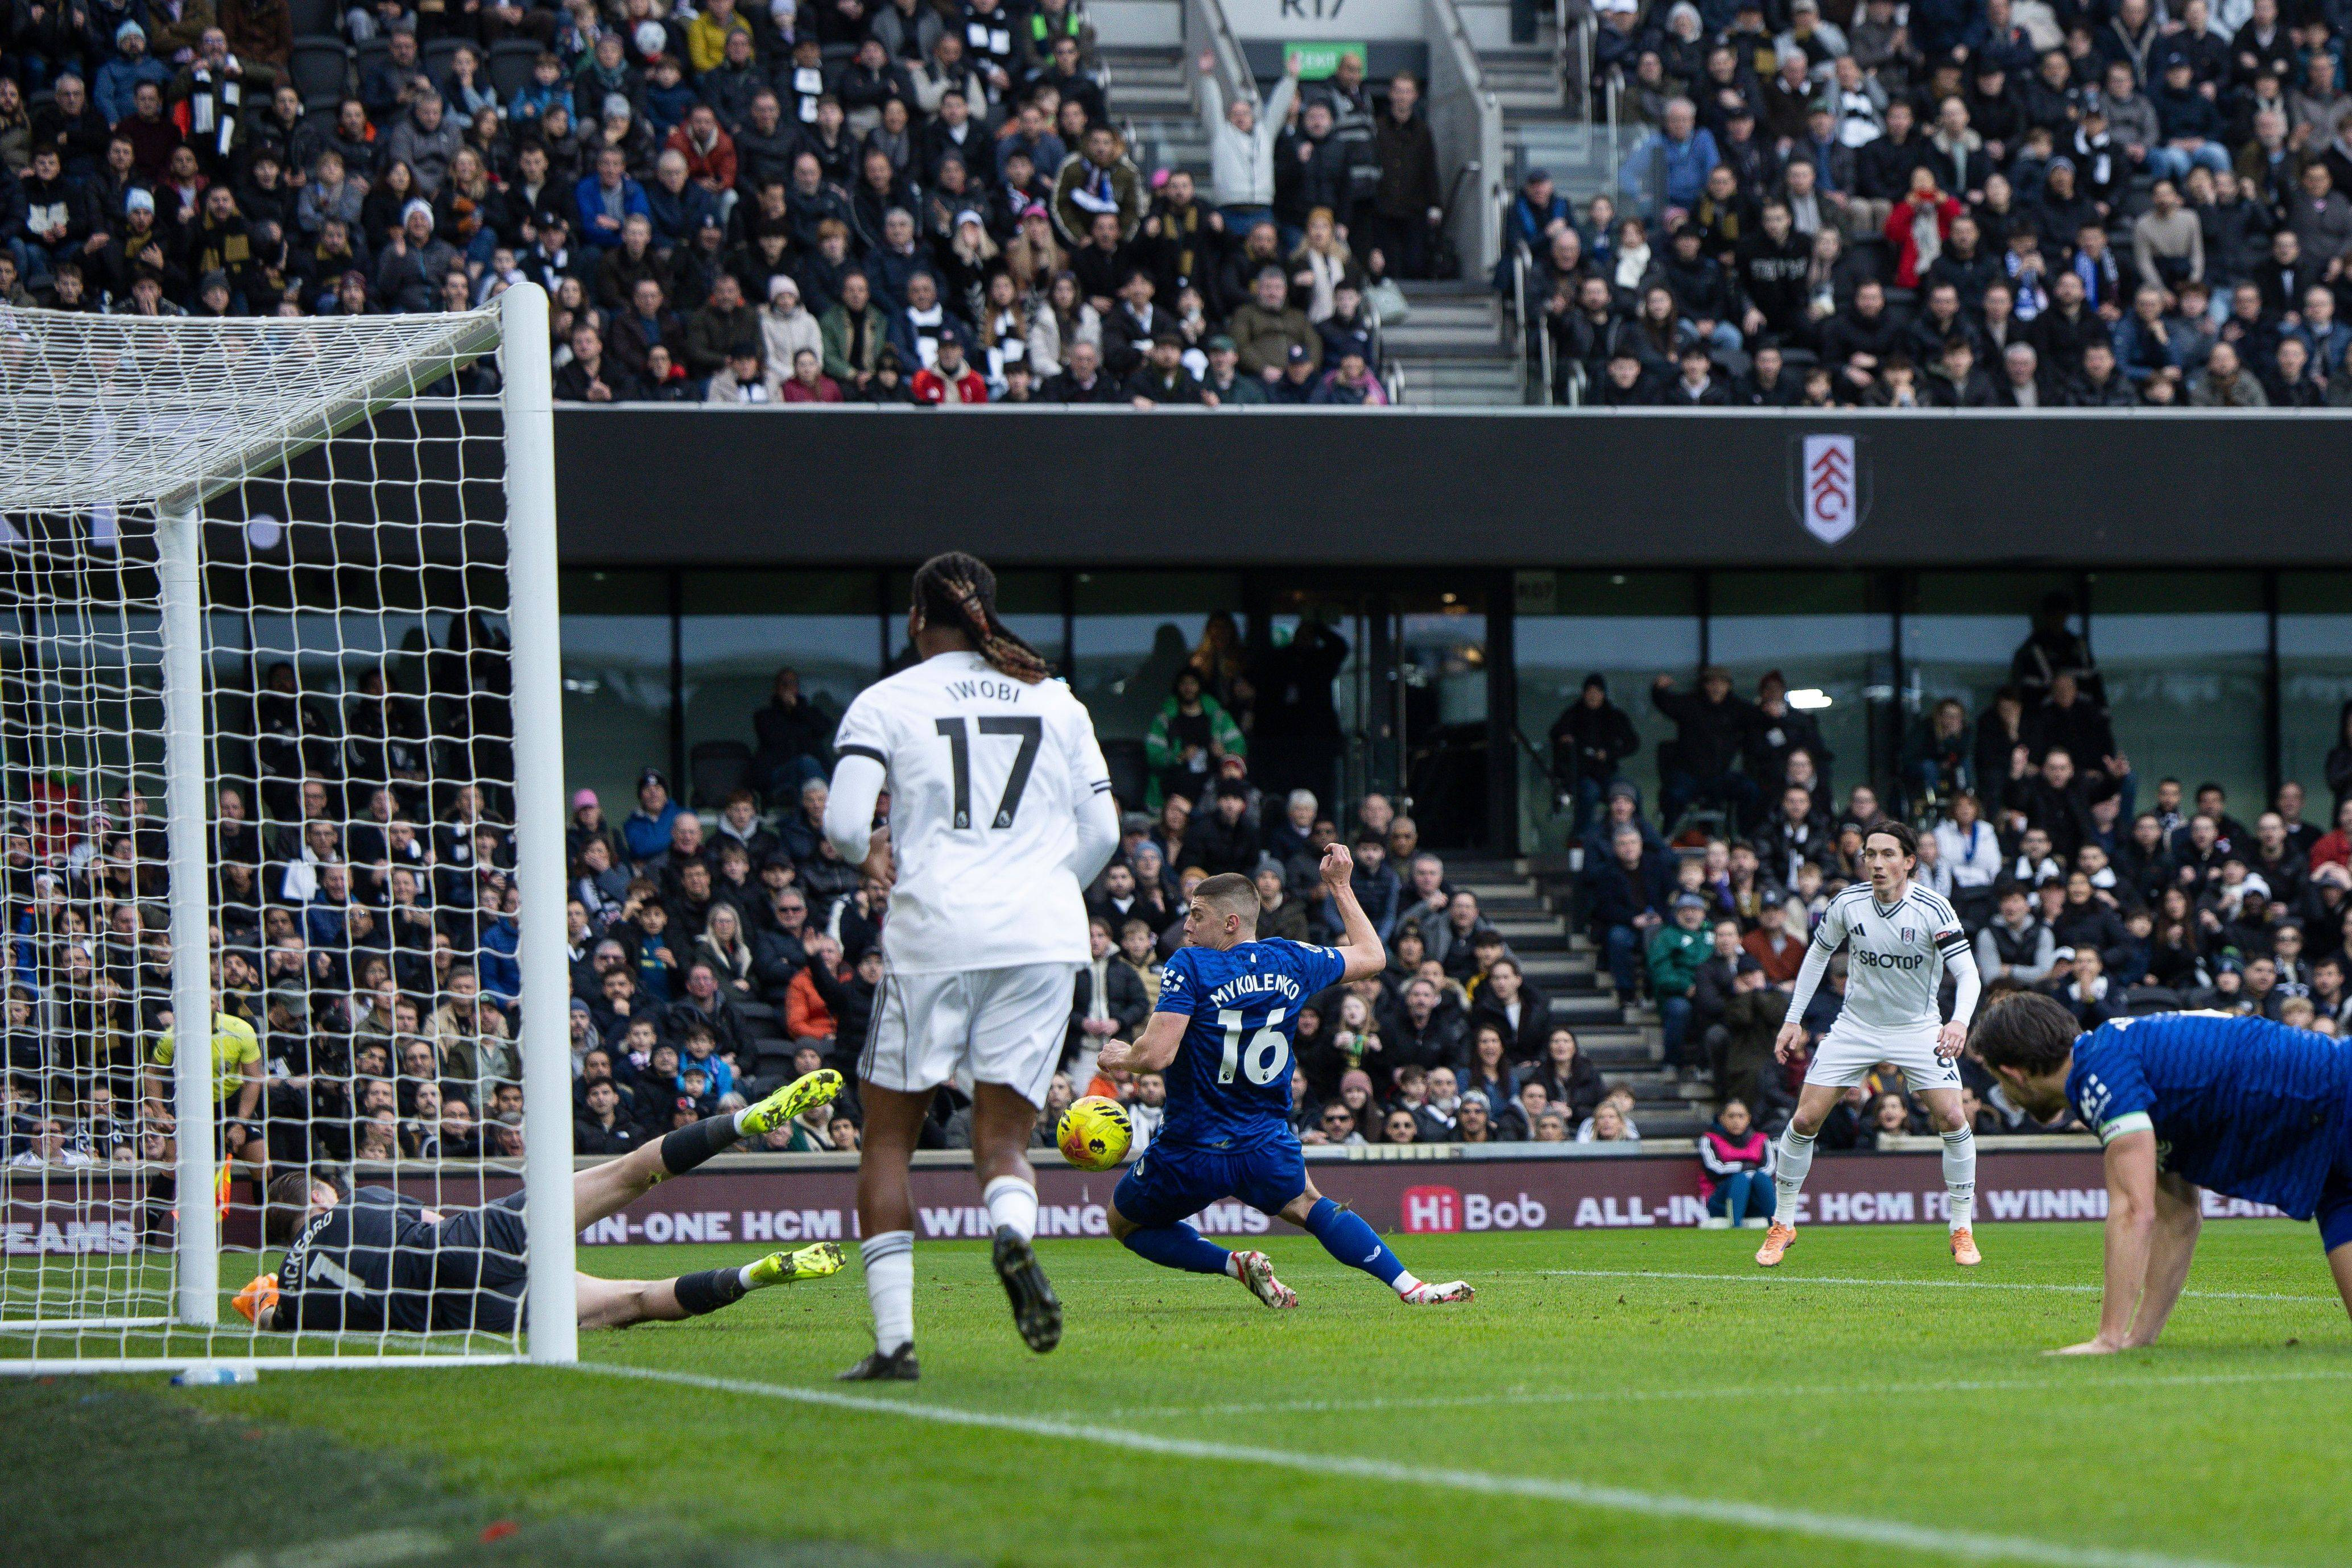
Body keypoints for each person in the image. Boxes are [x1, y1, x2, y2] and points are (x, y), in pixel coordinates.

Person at [820, 552, 1121, 1380]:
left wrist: (872, 853)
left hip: (934, 936)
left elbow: (846, 824)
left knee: (886, 1141)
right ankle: (1013, 1236)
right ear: (987, 611)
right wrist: (1036, 888)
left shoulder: (887, 700)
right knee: (1000, 1140)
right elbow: (1101, 837)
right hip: (1042, 935)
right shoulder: (1055, 699)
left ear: (919, 620)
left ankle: (894, 1345)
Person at [1094, 851, 1473, 1309]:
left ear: (1230, 922)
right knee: (1312, 1206)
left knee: (1123, 1221)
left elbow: (1156, 1054)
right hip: (1264, 1141)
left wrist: (1123, 1056)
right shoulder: (1291, 957)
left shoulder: (1189, 965)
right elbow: (1373, 956)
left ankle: (1232, 1263)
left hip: (1193, 1145)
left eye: (1197, 915)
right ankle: (1411, 1287)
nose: (1187, 927)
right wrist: (1340, 886)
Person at [236, 1072, 848, 1334]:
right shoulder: (355, 1201)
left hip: (463, 1314)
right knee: (632, 1171)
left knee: (631, 1300)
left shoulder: (296, 1298)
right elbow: (436, 1220)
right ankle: (746, 1118)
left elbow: (271, 1321)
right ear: (318, 1194)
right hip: (467, 1245)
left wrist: (262, 1302)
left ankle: (754, 1274)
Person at [1972, 994, 2352, 1350]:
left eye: (1999, 1081)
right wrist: (2136, 1339)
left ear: (2014, 1073)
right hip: (2328, 1151)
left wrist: (2106, 1339)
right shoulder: (2122, 1058)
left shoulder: (2100, 1072)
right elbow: (2178, 1217)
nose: (2007, 1095)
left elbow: (2134, 1211)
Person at [1760, 822, 1986, 1268]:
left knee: (1953, 1115)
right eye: (1869, 854)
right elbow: (1816, 956)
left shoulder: (1932, 909)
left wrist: (1958, 1021)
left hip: (1918, 1028)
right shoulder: (1847, 902)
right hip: (1855, 1027)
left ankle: (1961, 1227)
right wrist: (1792, 1020)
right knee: (1804, 1118)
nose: (1876, 863)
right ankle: (1782, 1222)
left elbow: (1969, 975)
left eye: (1887, 854)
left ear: (1908, 862)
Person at [1701, 1098, 1776, 1228]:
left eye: (1741, 1116)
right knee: (1740, 1179)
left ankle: (1776, 1227)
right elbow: (1715, 1167)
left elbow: (1770, 1168)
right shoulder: (1709, 1139)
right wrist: (1744, 1167)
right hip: (1722, 1200)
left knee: (1762, 1179)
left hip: (1754, 1201)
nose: (1736, 1121)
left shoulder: (1762, 1139)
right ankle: (1735, 1226)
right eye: (1731, 1116)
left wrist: (1749, 1172)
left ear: (1748, 1119)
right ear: (1722, 1119)